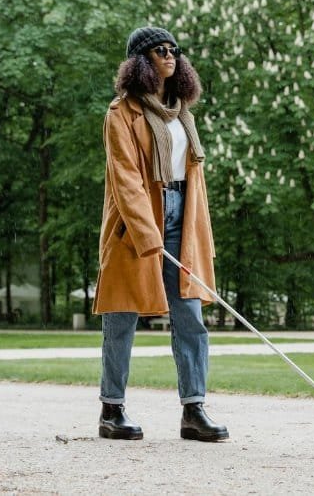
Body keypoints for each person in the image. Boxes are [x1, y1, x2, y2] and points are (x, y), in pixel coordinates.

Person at [93, 26, 228, 442]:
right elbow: (126, 178)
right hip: (134, 224)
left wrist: (198, 233)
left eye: (173, 50)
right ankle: (111, 410)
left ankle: (194, 409)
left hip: (181, 216)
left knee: (189, 315)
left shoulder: (182, 111)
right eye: (158, 51)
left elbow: (194, 179)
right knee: (122, 314)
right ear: (140, 62)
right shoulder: (122, 113)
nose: (169, 55)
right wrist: (145, 230)